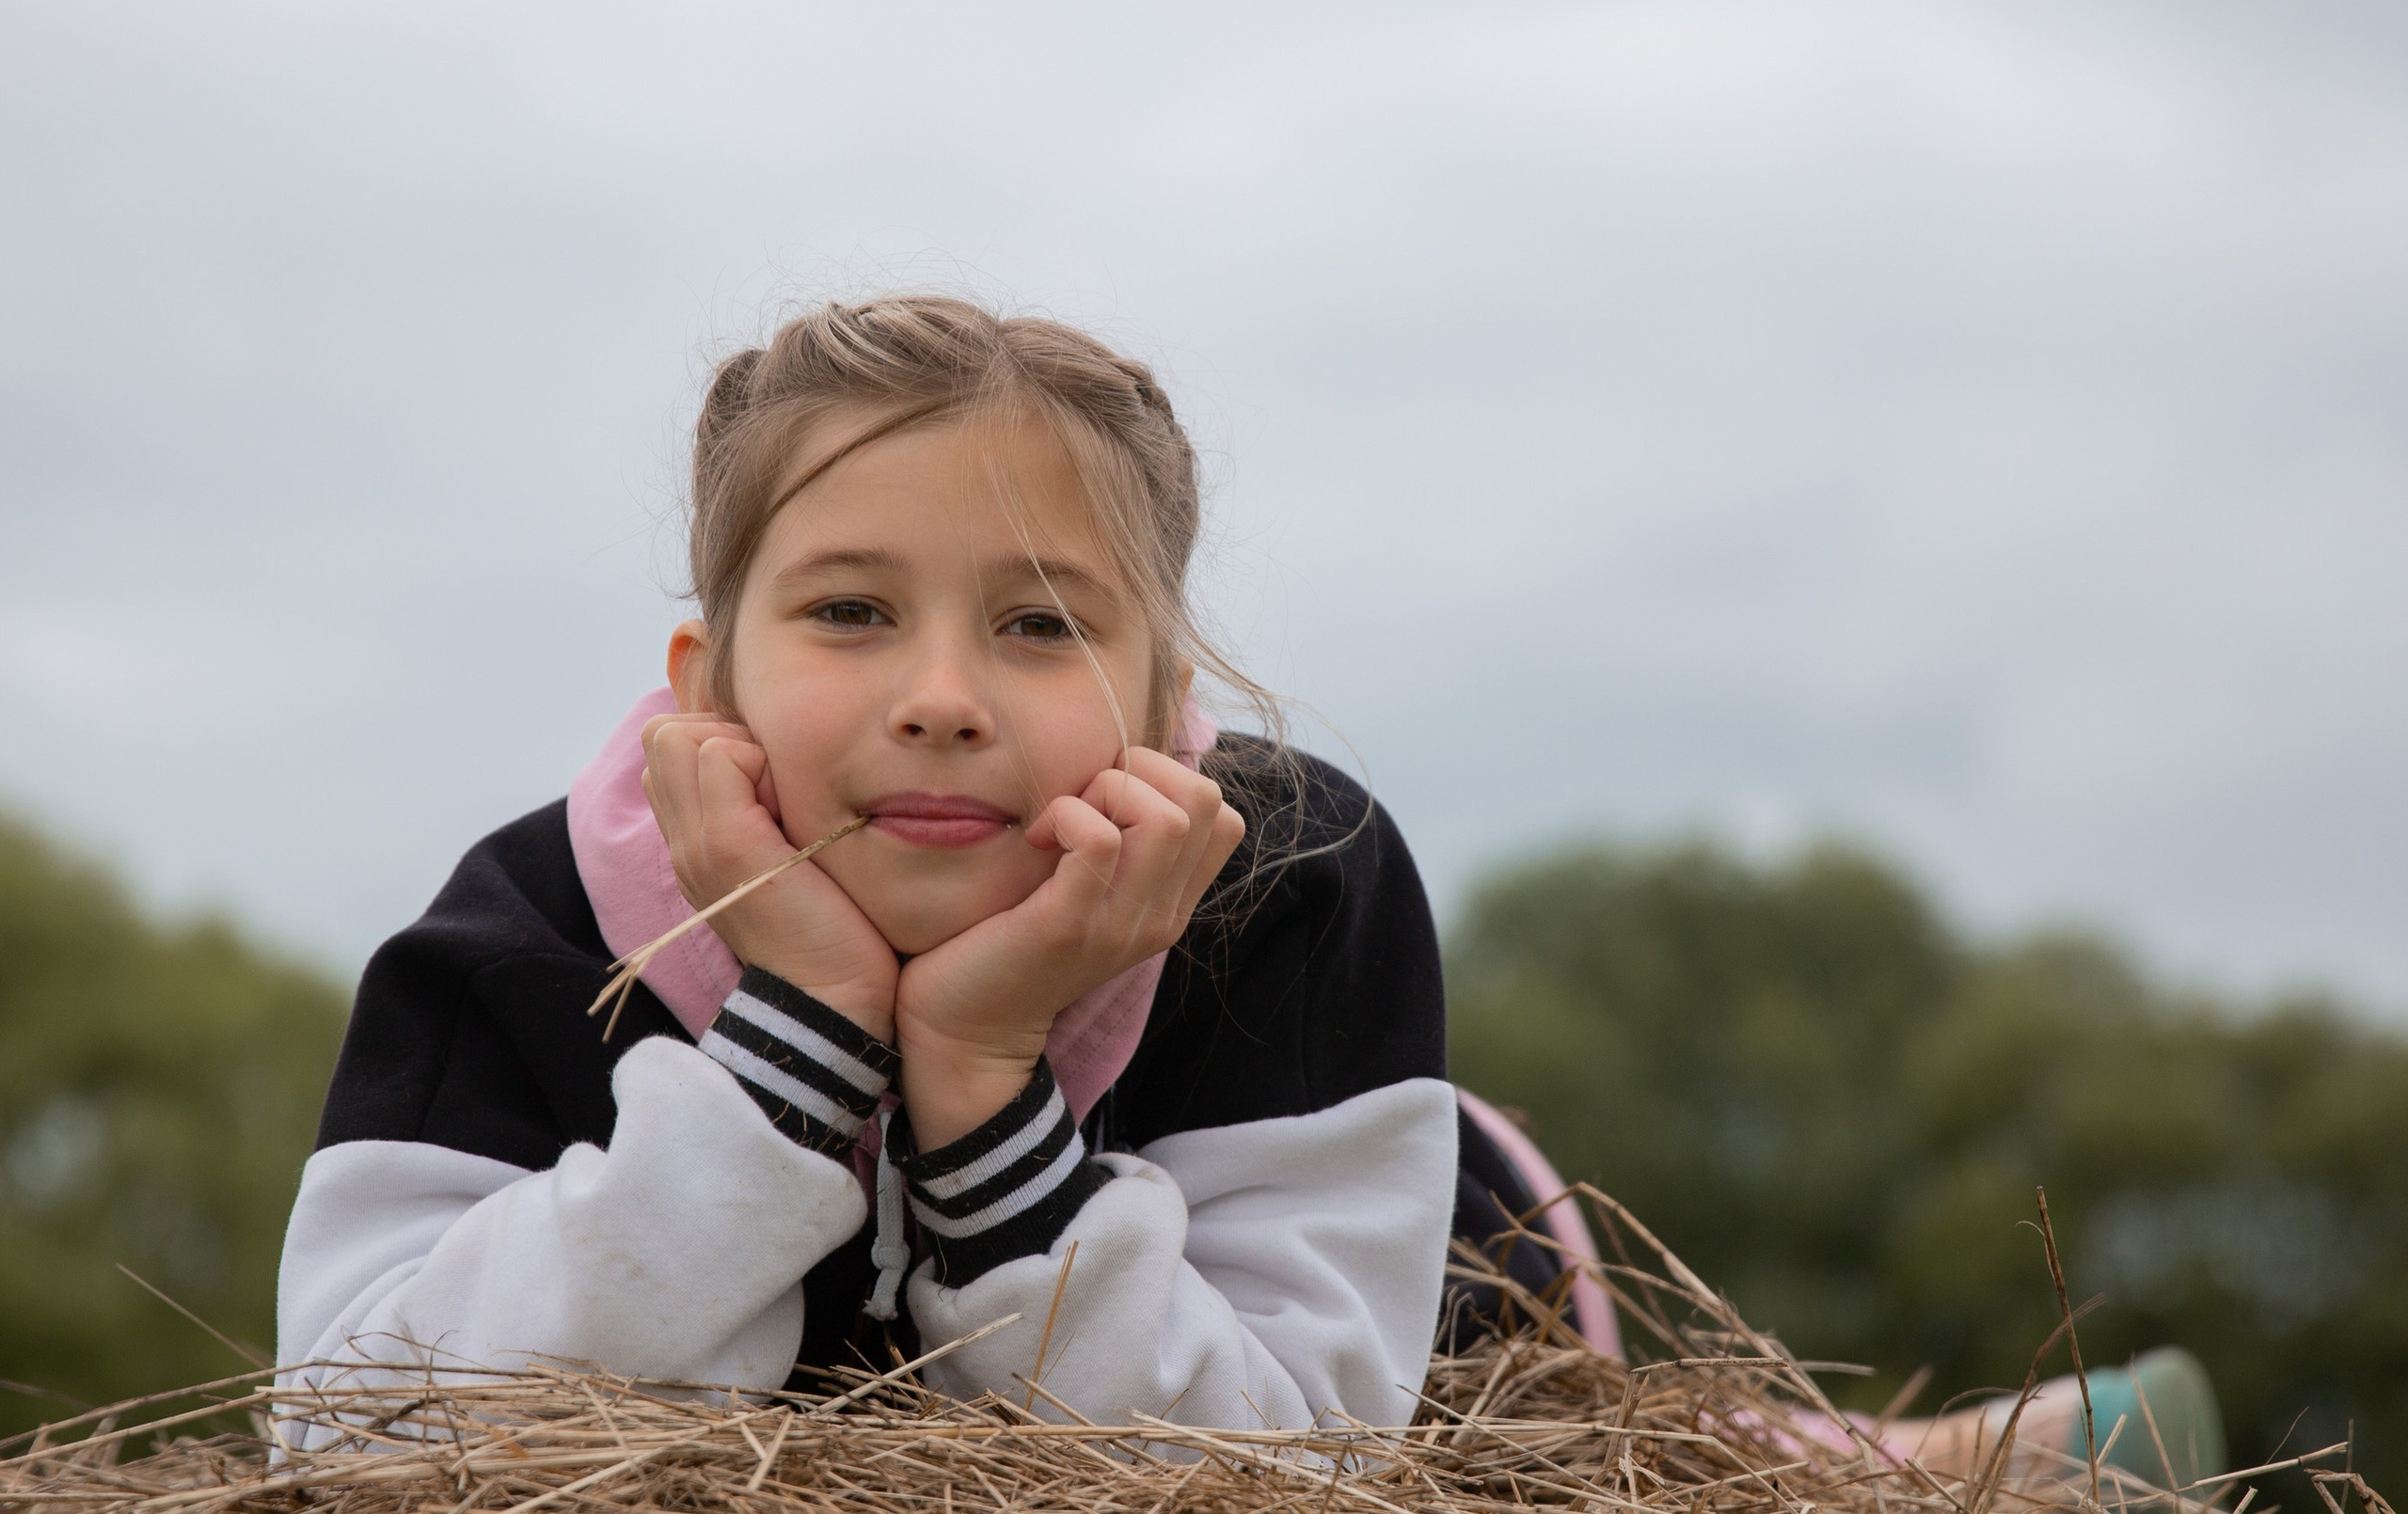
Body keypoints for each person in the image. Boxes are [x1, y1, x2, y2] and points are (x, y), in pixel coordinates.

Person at [277, 296, 1588, 1448]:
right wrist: (803, 1024)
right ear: (707, 687)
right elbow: (357, 1440)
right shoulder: (526, 940)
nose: (944, 701)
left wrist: (979, 1068)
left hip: (1481, 1238)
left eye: (1042, 625)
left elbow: (1296, 1470)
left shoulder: (1293, 886)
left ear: (1159, 706)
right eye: (850, 612)